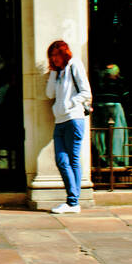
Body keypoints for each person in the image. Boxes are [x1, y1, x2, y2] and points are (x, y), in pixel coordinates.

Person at [44, 39, 91, 214]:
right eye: (51, 56)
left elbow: (86, 92)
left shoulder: (74, 65)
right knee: (61, 160)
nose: (54, 59)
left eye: (56, 55)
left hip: (73, 119)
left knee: (72, 159)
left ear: (64, 54)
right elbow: (49, 94)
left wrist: (70, 103)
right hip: (59, 121)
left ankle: (72, 202)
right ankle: (73, 201)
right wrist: (52, 73)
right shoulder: (58, 72)